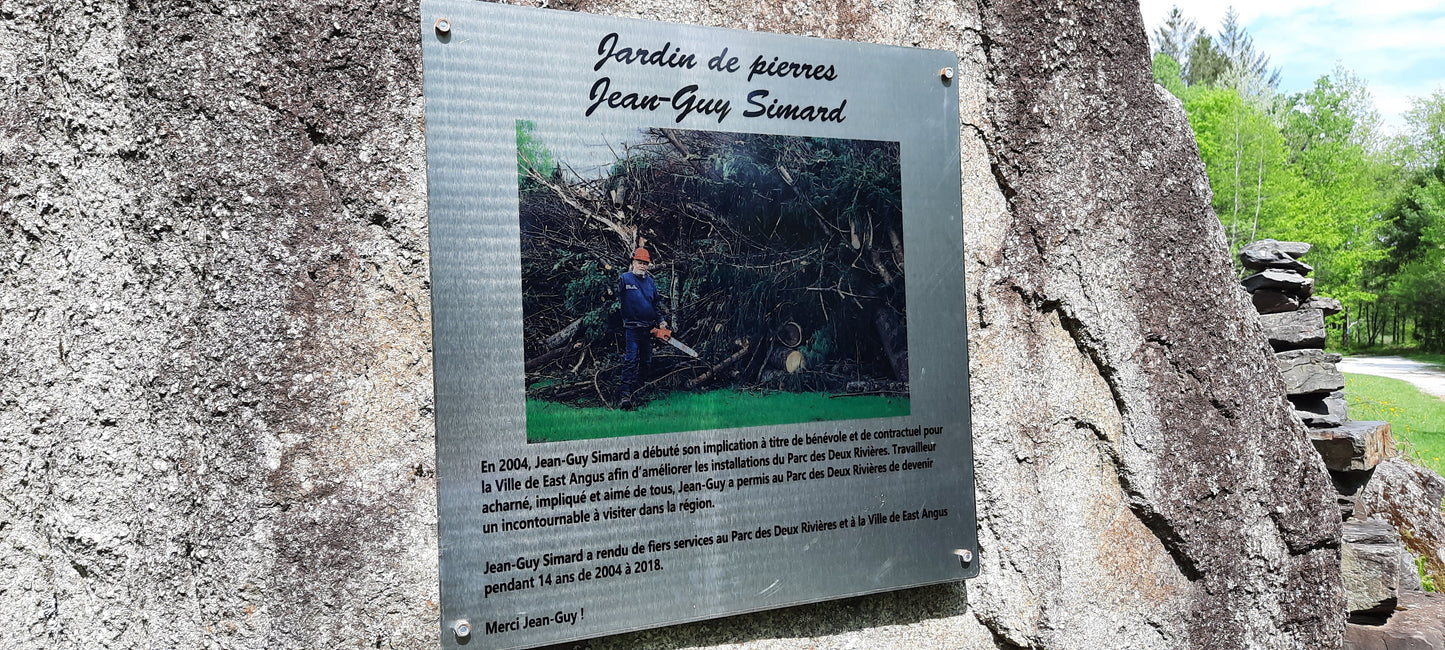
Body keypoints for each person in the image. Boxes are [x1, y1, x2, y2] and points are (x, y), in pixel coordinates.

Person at [618, 247, 666, 409]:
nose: (643, 266)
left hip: (648, 328)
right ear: (633, 262)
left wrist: (661, 322)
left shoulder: (650, 282)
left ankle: (638, 389)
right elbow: (616, 296)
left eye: (645, 263)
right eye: (640, 263)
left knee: (646, 361)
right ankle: (624, 394)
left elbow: (656, 304)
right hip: (632, 328)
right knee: (631, 359)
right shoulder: (625, 279)